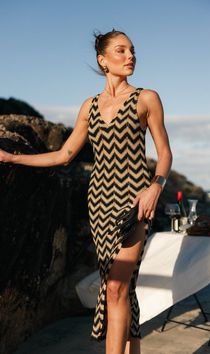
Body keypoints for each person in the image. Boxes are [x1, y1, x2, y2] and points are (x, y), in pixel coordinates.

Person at [0, 29, 172, 354]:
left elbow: (165, 153)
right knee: (122, 289)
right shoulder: (89, 107)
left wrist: (155, 187)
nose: (130, 56)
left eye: (132, 50)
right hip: (99, 204)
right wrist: (13, 157)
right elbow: (64, 155)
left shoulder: (147, 98)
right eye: (121, 51)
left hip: (134, 201)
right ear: (103, 60)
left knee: (116, 287)